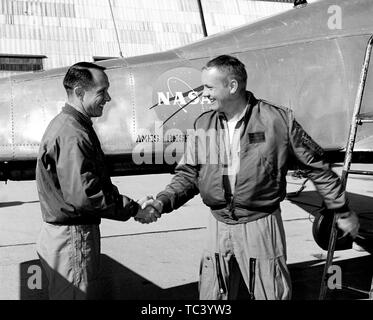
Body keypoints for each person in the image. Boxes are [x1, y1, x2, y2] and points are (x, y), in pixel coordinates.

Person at [141, 55, 360, 300]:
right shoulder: (204, 124)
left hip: (261, 225)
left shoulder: (277, 120)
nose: (204, 94)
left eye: (210, 87)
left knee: (271, 295)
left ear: (232, 86)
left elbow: (317, 167)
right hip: (218, 225)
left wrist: (341, 210)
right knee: (212, 297)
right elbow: (189, 173)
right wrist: (162, 201)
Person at [35, 62, 158, 300]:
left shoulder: (70, 126)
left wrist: (130, 206)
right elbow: (86, 195)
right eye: (102, 91)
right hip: (72, 238)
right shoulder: (73, 133)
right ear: (80, 92)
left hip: (66, 237)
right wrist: (134, 209)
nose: (108, 98)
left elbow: (91, 182)